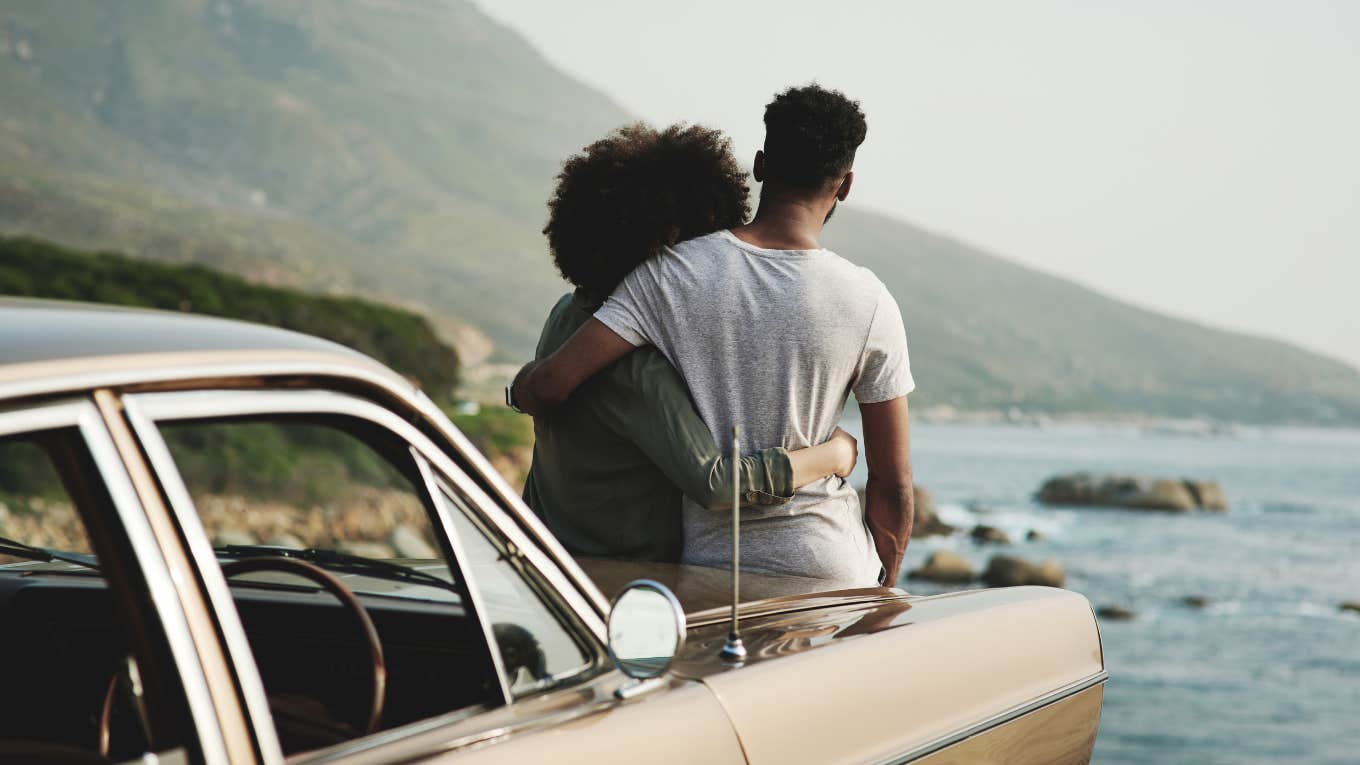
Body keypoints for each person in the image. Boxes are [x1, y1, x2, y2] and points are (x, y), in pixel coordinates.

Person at [512, 86, 915, 587]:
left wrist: (517, 390)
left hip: (703, 576)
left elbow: (551, 384)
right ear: (846, 185)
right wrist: (883, 585)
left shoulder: (661, 278)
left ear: (761, 165)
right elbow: (892, 486)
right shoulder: (870, 299)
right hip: (829, 571)